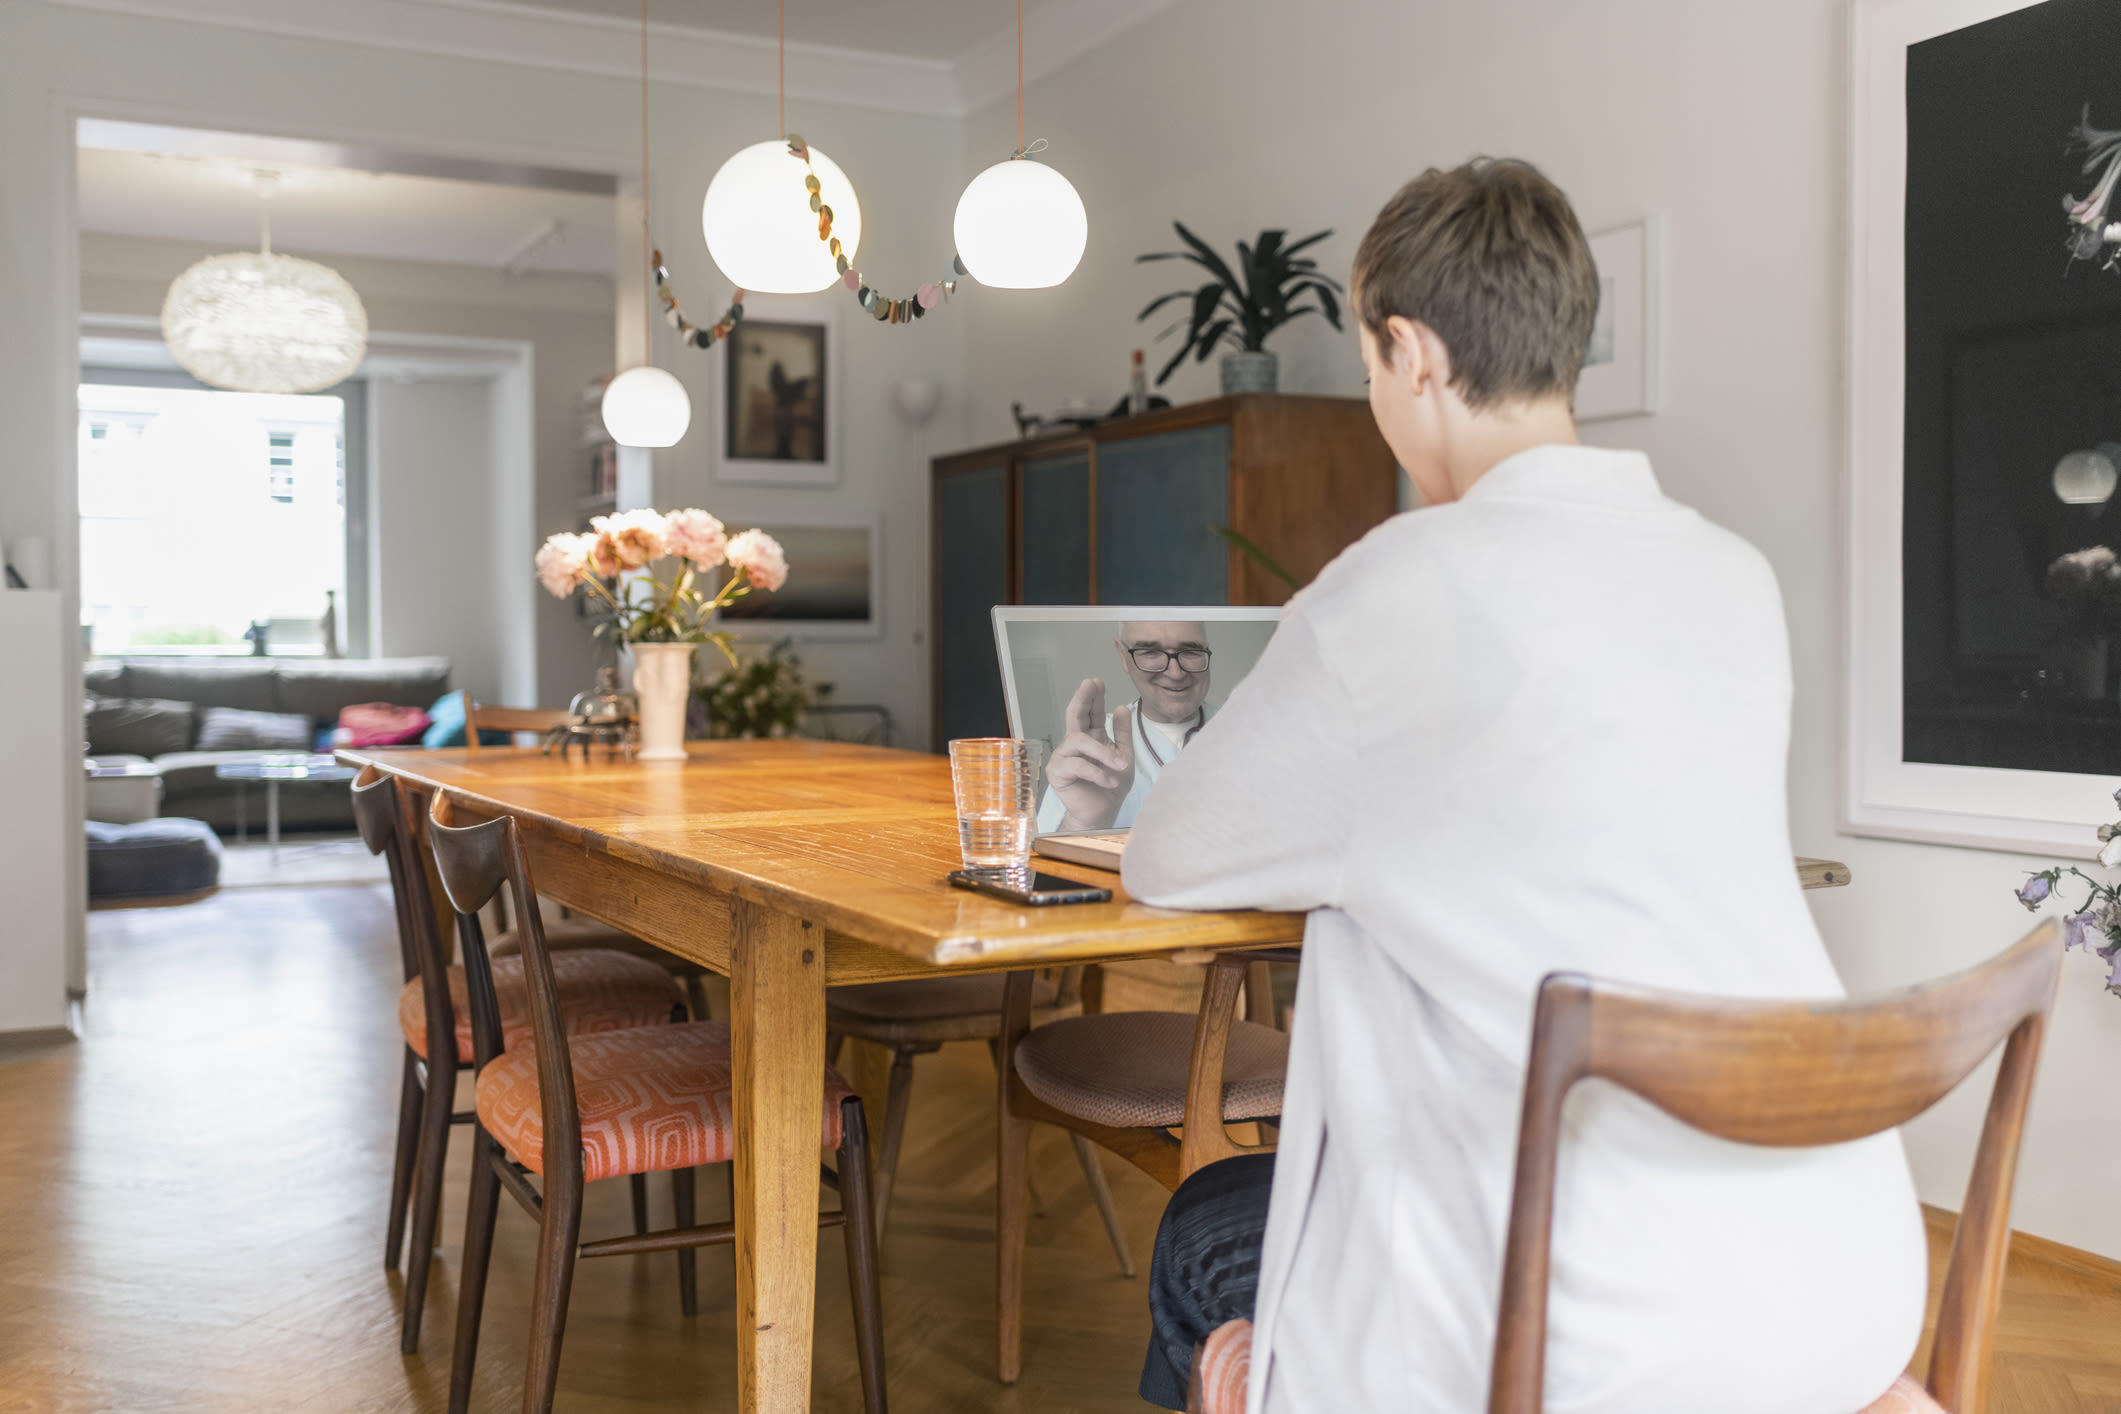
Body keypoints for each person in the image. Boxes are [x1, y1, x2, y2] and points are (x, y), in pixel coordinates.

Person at [1122, 159, 1926, 1414]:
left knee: (1202, 1232)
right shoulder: (1733, 578)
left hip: (1575, 1328)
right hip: (1837, 1281)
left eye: (1375, 367)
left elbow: (1165, 855)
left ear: (1412, 352)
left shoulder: (1395, 589)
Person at [1037, 620, 1216, 832]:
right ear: (1123, 655)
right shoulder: (1090, 749)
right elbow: (1039, 861)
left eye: (1191, 651)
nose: (1175, 673)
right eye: (1150, 652)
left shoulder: (1251, 731)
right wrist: (1084, 824)